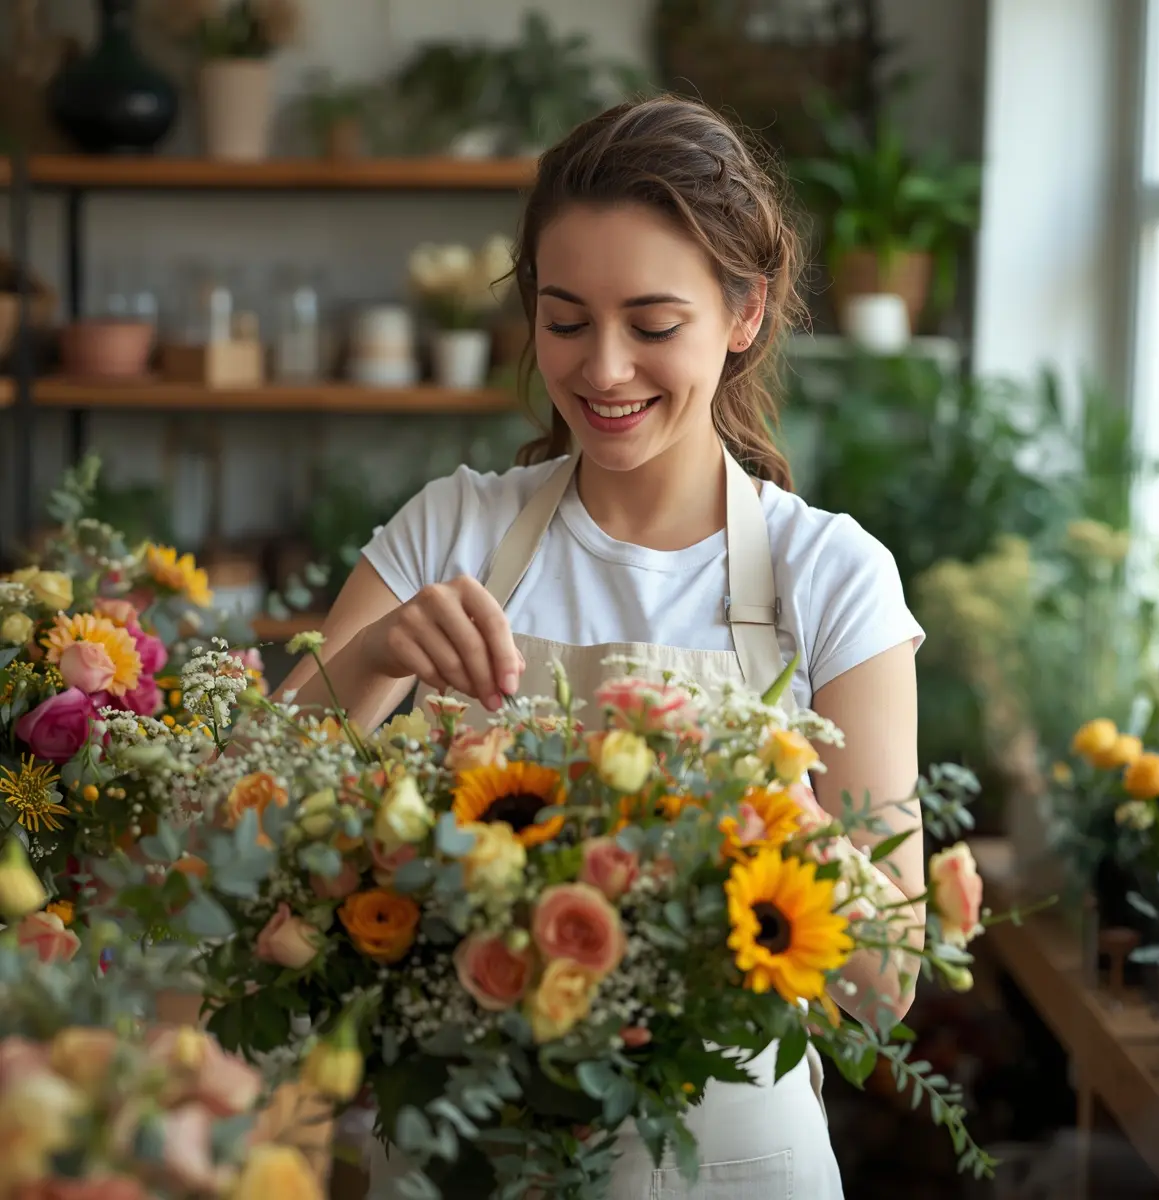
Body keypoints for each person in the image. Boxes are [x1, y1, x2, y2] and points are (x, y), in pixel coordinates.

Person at [279, 94, 926, 1199]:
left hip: (733, 1162)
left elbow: (885, 982)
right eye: (566, 320)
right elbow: (259, 812)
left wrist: (765, 803)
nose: (604, 370)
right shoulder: (457, 529)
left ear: (744, 314)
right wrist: (381, 651)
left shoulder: (832, 575)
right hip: (460, 1148)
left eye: (653, 324)